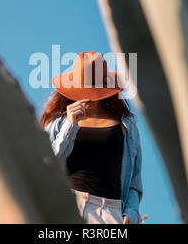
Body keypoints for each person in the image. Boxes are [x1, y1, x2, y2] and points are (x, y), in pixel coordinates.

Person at [40, 51, 143, 224]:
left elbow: (134, 181)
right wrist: (70, 126)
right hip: (72, 206)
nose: (88, 95)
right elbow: (48, 166)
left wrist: (131, 213)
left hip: (113, 213)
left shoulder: (127, 125)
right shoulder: (58, 122)